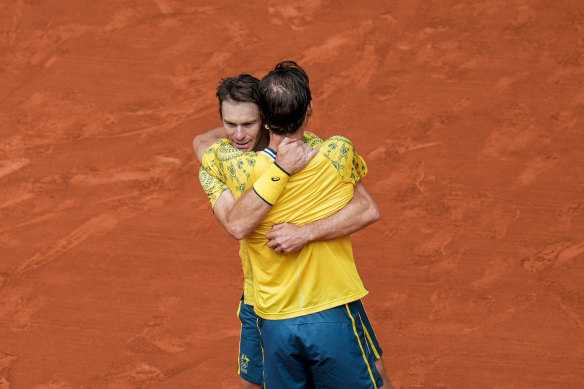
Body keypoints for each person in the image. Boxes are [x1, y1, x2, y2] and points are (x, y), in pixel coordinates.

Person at [200, 62, 392, 388]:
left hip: (272, 318)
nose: (238, 134)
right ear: (310, 108)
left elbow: (201, 145)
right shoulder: (334, 154)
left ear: (264, 117)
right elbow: (368, 210)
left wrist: (302, 228)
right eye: (231, 125)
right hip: (331, 311)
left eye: (248, 123)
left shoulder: (228, 165)